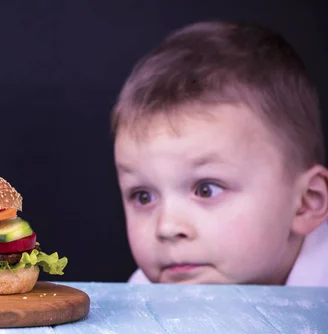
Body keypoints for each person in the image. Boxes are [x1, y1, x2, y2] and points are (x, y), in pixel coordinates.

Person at [111, 21, 328, 286]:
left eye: (206, 190)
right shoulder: (143, 295)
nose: (167, 228)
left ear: (306, 202)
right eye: (143, 197)